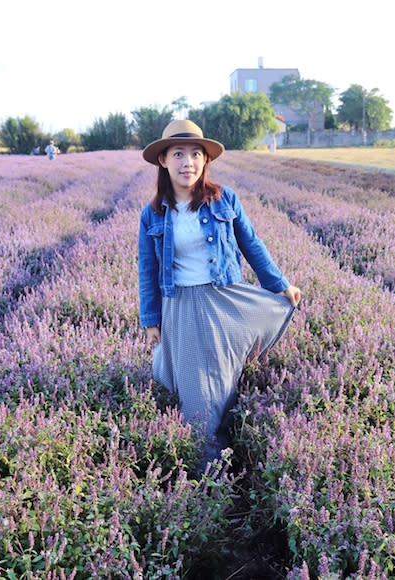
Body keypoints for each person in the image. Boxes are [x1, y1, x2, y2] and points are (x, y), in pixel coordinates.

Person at [137, 119, 302, 469]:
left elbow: (251, 245)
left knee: (222, 384)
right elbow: (147, 270)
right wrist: (151, 320)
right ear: (163, 160)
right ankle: (208, 472)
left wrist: (279, 286)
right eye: (178, 154)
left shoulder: (224, 199)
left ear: (205, 160)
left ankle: (228, 456)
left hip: (225, 301)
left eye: (196, 154)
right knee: (198, 394)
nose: (188, 162)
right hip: (182, 306)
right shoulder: (152, 215)